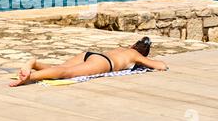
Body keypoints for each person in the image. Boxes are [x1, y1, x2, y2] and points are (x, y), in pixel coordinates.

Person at [9, 36, 168, 87]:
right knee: (66, 74)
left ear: (133, 45)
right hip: (104, 63)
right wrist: (146, 61)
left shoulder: (123, 49)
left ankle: (35, 63)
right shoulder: (136, 55)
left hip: (91, 54)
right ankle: (29, 78)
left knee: (60, 68)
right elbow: (161, 66)